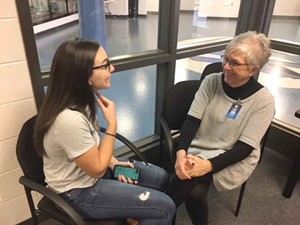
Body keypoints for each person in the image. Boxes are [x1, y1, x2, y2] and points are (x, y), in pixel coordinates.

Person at [33, 38, 175, 225]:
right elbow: (97, 170)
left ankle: (135, 215)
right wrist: (112, 126)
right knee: (165, 207)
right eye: (106, 65)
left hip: (91, 172)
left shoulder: (83, 102)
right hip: (77, 191)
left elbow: (94, 146)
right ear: (85, 76)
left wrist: (115, 164)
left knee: (161, 177)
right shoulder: (68, 120)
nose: (112, 69)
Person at [166, 31, 275, 225]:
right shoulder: (211, 81)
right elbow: (192, 120)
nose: (225, 67)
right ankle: (154, 214)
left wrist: (208, 166)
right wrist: (181, 152)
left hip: (234, 154)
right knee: (195, 191)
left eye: (234, 63)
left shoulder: (263, 101)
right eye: (225, 58)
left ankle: (149, 214)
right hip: (202, 145)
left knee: (187, 183)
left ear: (253, 69)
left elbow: (244, 148)